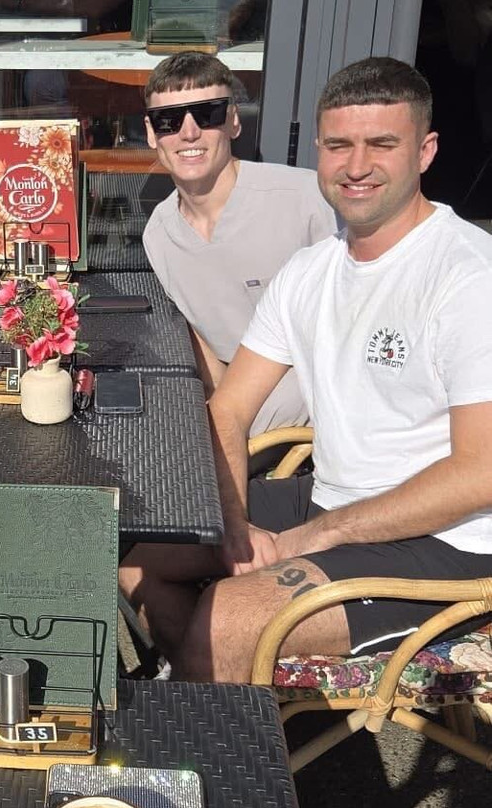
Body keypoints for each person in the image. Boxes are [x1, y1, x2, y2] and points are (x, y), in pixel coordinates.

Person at [122, 56, 492, 683]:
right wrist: (235, 525)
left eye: (382, 144)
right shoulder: (311, 271)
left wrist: (313, 538)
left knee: (227, 619)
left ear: (425, 151)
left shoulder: (467, 275)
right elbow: (229, 408)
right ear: (319, 149)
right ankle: (222, 696)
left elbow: (480, 474)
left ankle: (208, 700)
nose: (356, 166)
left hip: (451, 543)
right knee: (139, 558)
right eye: (339, 145)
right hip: (332, 496)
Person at [139, 51, 337, 438]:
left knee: (196, 438)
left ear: (233, 120)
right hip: (237, 398)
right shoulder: (159, 234)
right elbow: (203, 349)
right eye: (168, 120)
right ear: (151, 133)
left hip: (314, 379)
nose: (189, 132)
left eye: (207, 114)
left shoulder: (305, 199)